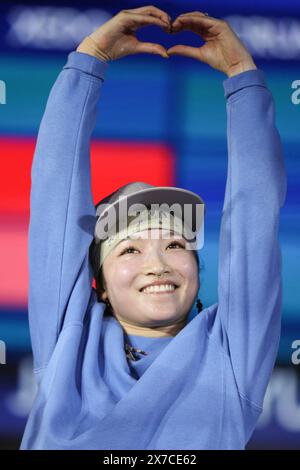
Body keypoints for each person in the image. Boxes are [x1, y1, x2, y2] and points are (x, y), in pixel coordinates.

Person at [20, 6, 287, 450]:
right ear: (99, 284)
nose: (158, 264)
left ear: (198, 266)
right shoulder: (69, 337)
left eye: (176, 243)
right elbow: (56, 194)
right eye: (128, 250)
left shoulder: (231, 351)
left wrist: (243, 77)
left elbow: (255, 211)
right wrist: (88, 62)